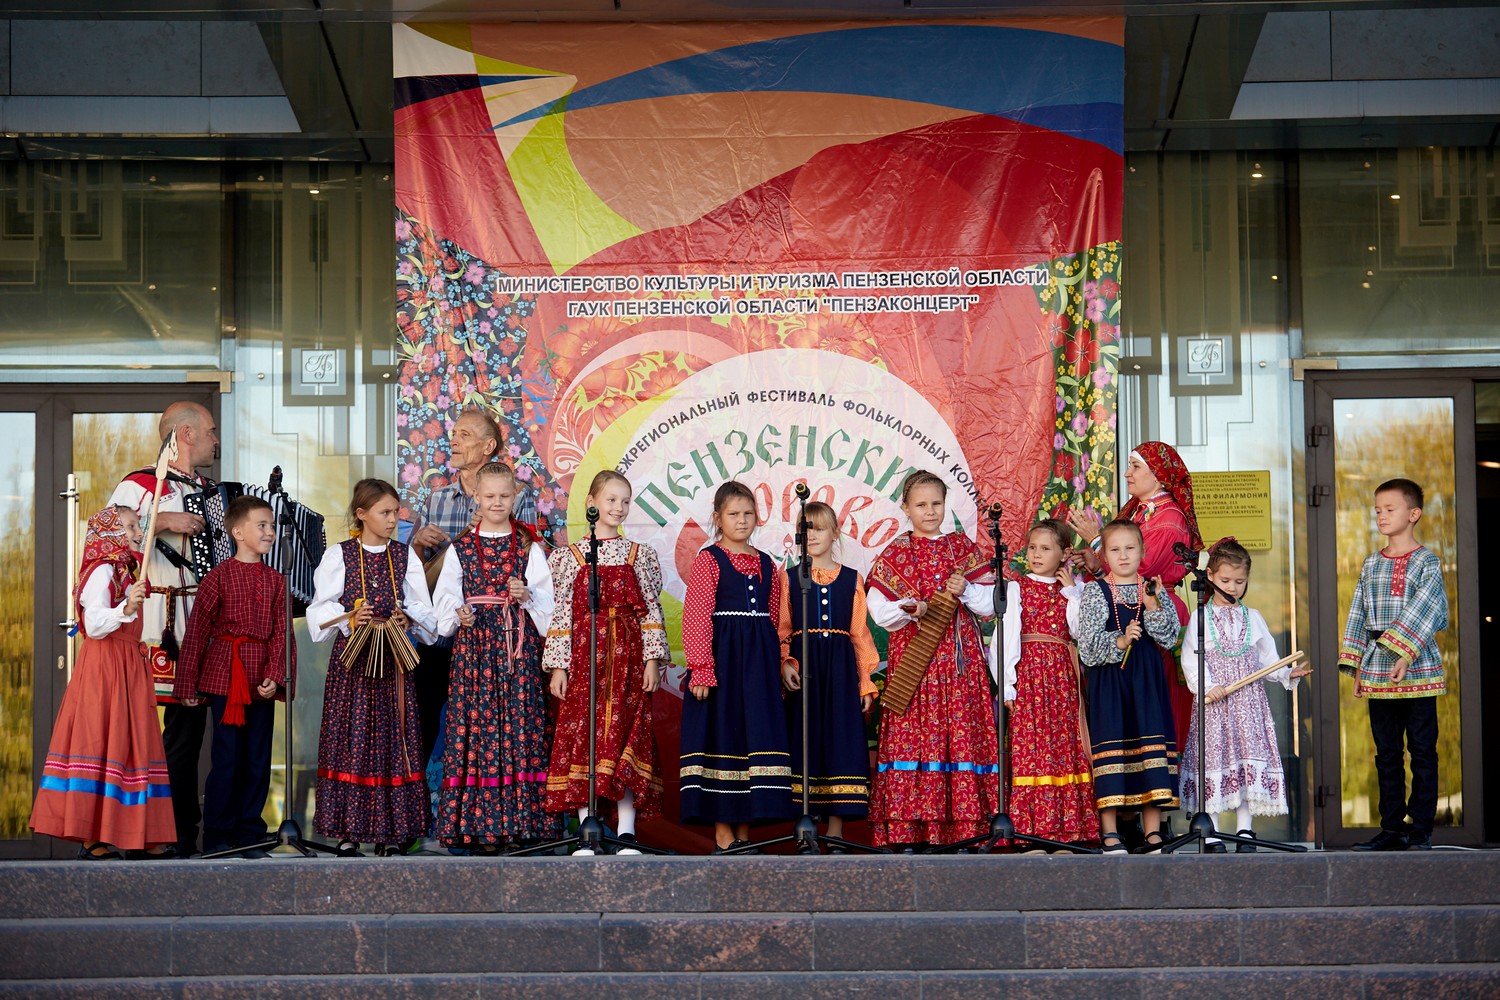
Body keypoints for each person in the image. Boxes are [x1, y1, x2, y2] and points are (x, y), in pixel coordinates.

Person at [30, 507, 176, 858]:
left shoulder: (124, 571)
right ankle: (91, 837)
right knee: (102, 739)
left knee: (132, 743)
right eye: (130, 527)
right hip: (106, 665)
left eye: (137, 526)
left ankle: (138, 834)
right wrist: (125, 608)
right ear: (110, 532)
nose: (137, 533)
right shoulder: (101, 571)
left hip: (127, 665)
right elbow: (94, 624)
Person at [865, 470, 998, 851]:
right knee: (915, 737)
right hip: (916, 661)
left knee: (961, 733)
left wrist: (966, 589)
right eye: (921, 504)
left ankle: (965, 830)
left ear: (945, 504)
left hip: (959, 662)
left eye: (936, 503)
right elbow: (879, 609)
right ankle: (910, 830)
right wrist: (910, 608)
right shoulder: (896, 553)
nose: (930, 511)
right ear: (906, 508)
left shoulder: (962, 548)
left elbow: (991, 604)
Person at [109, 399, 219, 856]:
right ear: (186, 434)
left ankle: (180, 835)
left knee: (188, 735)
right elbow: (108, 536)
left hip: (200, 623)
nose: (215, 440)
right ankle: (143, 836)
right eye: (210, 431)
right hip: (155, 621)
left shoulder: (211, 492)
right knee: (144, 735)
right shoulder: (139, 484)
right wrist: (162, 520)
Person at [430, 462, 558, 853]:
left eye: (504, 495)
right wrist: (460, 613)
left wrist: (526, 596)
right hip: (474, 653)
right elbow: (444, 603)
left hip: (517, 650)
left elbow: (549, 606)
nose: (497, 502)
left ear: (515, 497)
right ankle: (481, 829)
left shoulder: (528, 546)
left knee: (520, 728)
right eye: (489, 496)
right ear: (477, 497)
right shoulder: (460, 548)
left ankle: (522, 826)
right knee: (478, 731)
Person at [307, 478, 437, 856]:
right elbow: (319, 610)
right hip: (354, 664)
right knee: (352, 740)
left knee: (393, 741)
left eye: (396, 512)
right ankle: (348, 833)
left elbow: (423, 611)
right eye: (385, 512)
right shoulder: (340, 555)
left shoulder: (404, 556)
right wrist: (350, 617)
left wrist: (408, 617)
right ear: (362, 514)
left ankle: (391, 834)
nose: (393, 519)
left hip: (394, 661)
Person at [543, 470, 669, 856]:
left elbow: (651, 611)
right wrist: (559, 666)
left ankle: (627, 833)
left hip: (627, 660)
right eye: (611, 499)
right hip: (584, 661)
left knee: (627, 736)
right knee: (585, 739)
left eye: (625, 501)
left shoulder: (639, 555)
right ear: (591, 503)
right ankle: (588, 828)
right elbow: (561, 613)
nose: (619, 507)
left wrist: (652, 660)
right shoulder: (568, 557)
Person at [409, 407, 539, 771]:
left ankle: (496, 796)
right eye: (454, 433)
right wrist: (417, 544)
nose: (453, 440)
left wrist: (499, 525)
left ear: (488, 446)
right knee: (423, 714)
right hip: (443, 632)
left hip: (495, 636)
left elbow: (528, 557)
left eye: (465, 435)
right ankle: (415, 798)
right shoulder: (436, 499)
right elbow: (414, 574)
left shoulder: (517, 495)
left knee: (497, 721)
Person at [171, 495, 294, 857]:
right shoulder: (217, 577)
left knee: (257, 758)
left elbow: (282, 633)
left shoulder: (277, 581)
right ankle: (218, 836)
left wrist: (276, 675)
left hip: (261, 680)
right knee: (227, 758)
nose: (270, 532)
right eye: (262, 525)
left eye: (272, 526)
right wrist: (186, 682)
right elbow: (197, 631)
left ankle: (250, 832)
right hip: (226, 675)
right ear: (238, 532)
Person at [679, 480, 793, 852]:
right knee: (723, 737)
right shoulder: (710, 559)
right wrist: (701, 667)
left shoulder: (767, 563)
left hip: (758, 667)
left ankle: (744, 833)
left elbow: (775, 620)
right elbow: (696, 616)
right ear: (718, 518)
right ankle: (724, 834)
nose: (742, 520)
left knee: (752, 741)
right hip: (723, 663)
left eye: (748, 513)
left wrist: (779, 664)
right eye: (733, 514)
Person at [1339, 478, 1450, 852]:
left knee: (1422, 751)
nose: (1381, 516)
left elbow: (1429, 609)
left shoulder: (1427, 562)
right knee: (1386, 753)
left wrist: (1404, 653)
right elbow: (1358, 612)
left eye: (1390, 509)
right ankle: (1391, 828)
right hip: (1377, 665)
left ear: (1413, 513)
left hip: (1417, 666)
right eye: (1377, 510)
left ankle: (1420, 829)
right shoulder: (1371, 563)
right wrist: (1357, 663)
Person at [1180, 538, 1310, 852]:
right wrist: (1207, 686)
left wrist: (1285, 674)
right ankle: (1211, 832)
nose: (1233, 587)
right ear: (1210, 577)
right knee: (1213, 763)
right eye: (1226, 580)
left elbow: (1267, 660)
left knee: (1245, 763)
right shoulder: (1201, 617)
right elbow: (1190, 659)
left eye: (1240, 581)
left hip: (1248, 705)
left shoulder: (1253, 617)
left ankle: (1245, 830)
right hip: (1215, 705)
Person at [1070, 442, 1201, 753]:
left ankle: (1156, 772)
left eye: (1135, 466)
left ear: (1158, 475)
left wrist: (1097, 541)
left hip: (1155, 605)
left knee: (1154, 701)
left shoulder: (1169, 520)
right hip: (1128, 607)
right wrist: (1097, 566)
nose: (1127, 473)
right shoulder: (1146, 513)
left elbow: (1142, 571)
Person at [991, 519, 1099, 848]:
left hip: (1062, 680)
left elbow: (1079, 632)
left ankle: (1068, 829)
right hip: (1030, 677)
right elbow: (1005, 639)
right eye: (1032, 548)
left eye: (1045, 549)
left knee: (1064, 746)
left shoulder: (1074, 588)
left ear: (1065, 554)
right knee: (1032, 746)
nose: (1036, 555)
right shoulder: (1016, 588)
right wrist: (1007, 684)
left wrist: (1072, 592)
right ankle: (1032, 830)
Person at [1076, 518, 1182, 854]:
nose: (1123, 556)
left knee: (1151, 750)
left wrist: (1152, 607)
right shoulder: (1096, 591)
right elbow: (1087, 648)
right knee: (1112, 749)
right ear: (1104, 554)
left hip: (1147, 682)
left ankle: (1152, 833)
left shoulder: (1152, 588)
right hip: (1111, 685)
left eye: (1130, 548)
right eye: (1115, 549)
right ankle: (1110, 832)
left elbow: (1170, 636)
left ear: (1143, 551)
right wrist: (1120, 641)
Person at [777, 500, 878, 849]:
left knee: (841, 741)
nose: (813, 536)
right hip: (805, 669)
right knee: (803, 741)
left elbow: (860, 634)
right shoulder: (789, 578)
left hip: (839, 670)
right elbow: (782, 628)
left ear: (835, 533)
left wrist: (865, 681)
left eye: (820, 529)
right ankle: (805, 829)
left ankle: (836, 832)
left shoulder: (852, 579)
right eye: (806, 530)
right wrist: (786, 662)